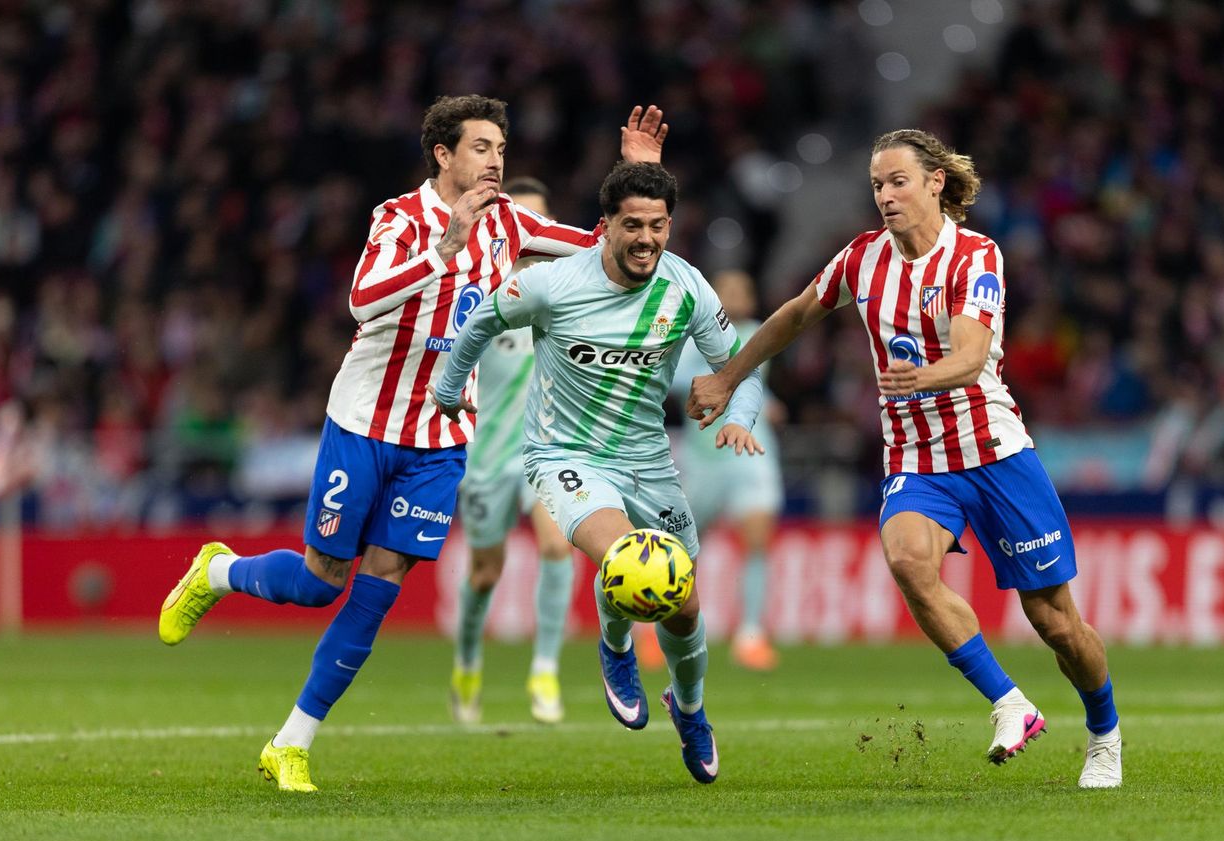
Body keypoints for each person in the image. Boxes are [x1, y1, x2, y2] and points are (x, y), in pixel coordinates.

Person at [157, 96, 668, 792]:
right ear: (444, 155)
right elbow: (362, 303)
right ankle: (217, 572)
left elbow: (602, 246)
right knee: (318, 583)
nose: (496, 161)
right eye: (482, 148)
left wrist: (636, 178)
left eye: (500, 149)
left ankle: (291, 743)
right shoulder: (398, 219)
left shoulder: (510, 223)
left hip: (441, 440)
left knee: (379, 584)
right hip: (365, 424)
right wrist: (443, 248)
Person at [688, 129, 1122, 788]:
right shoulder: (862, 259)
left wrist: (923, 378)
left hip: (994, 453)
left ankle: (1104, 734)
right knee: (907, 560)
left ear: (934, 183)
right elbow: (798, 313)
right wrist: (727, 377)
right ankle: (1012, 705)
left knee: (1055, 623)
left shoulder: (975, 255)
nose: (885, 196)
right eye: (876, 185)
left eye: (897, 182)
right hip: (918, 460)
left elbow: (973, 353)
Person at [433, 162, 765, 784]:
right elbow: (480, 322)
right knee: (630, 561)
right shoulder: (555, 283)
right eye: (632, 225)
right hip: (564, 456)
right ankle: (615, 648)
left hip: (648, 463)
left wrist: (736, 413)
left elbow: (735, 367)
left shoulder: (686, 287)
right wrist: (448, 389)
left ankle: (689, 709)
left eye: (658, 226)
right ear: (604, 226)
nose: (646, 238)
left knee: (685, 607)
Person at [449, 177, 576, 725]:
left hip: (544, 457)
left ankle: (545, 669)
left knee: (557, 546)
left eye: (540, 220)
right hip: (485, 460)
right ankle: (467, 660)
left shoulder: (567, 295)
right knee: (484, 574)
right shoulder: (477, 295)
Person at [663, 269, 785, 671]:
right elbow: (677, 380)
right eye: (725, 290)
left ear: (750, 298)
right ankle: (660, 624)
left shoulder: (759, 333)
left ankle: (750, 634)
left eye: (740, 289)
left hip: (751, 453)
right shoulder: (691, 336)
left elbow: (743, 378)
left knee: (756, 540)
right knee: (683, 549)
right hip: (702, 457)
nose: (733, 296)